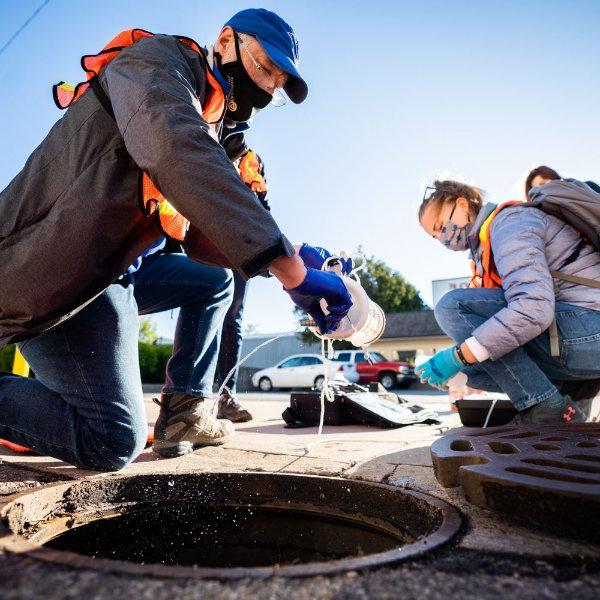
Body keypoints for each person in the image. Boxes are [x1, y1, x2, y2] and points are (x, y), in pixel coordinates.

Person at [0, 9, 353, 470]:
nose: (267, 89)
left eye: (277, 85)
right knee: (111, 441)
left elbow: (204, 239)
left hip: (112, 273)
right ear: (225, 40)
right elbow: (172, 146)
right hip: (49, 274)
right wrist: (287, 265)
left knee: (213, 283)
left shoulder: (218, 130)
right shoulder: (154, 62)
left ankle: (186, 411)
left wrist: (294, 261)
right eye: (265, 69)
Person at [416, 178, 600, 424]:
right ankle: (566, 413)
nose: (442, 237)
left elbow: (534, 309)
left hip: (590, 329)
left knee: (453, 307)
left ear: (461, 204)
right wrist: (457, 369)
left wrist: (459, 355)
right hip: (580, 337)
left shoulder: (510, 224)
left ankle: (544, 407)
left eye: (440, 225)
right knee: (472, 370)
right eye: (435, 235)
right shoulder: (485, 251)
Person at [216, 150, 270, 422]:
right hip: (207, 240)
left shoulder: (254, 159)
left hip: (239, 250)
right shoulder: (217, 138)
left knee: (232, 319)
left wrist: (270, 250)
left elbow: (263, 205)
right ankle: (187, 393)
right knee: (205, 312)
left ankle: (226, 394)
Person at [525, 165, 600, 195]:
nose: (541, 189)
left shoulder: (589, 186)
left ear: (553, 176)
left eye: (543, 183)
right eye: (537, 189)